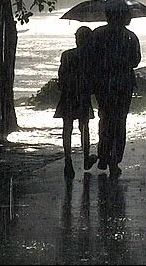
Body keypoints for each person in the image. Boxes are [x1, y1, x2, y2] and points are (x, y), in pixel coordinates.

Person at [87, 9, 141, 177]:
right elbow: (136, 61)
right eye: (128, 14)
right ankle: (114, 160)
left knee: (105, 119)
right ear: (120, 17)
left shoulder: (97, 34)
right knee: (120, 121)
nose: (130, 17)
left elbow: (90, 57)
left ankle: (103, 155)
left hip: (103, 83)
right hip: (124, 84)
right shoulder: (130, 36)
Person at [54, 25, 98, 178]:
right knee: (84, 127)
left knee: (67, 128)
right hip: (83, 95)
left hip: (68, 95)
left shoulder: (66, 55)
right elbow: (93, 79)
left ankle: (68, 161)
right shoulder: (92, 57)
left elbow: (61, 78)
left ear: (77, 39)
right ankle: (86, 159)